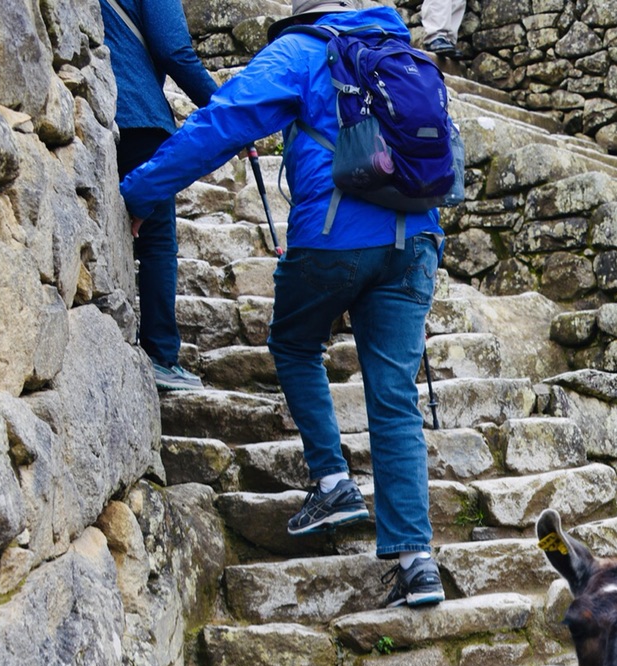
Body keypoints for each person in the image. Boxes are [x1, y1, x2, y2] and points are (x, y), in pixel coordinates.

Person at [120, 0, 447, 609]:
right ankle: (417, 561)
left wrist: (139, 191)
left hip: (335, 237)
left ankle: (332, 481)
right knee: (395, 397)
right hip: (417, 240)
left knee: (295, 343)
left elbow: (224, 123)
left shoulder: (301, 50)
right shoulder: (406, 54)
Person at [102, 0, 219, 392]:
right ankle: (160, 356)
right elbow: (174, 50)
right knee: (156, 243)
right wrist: (225, 108)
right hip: (140, 114)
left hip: (101, 112)